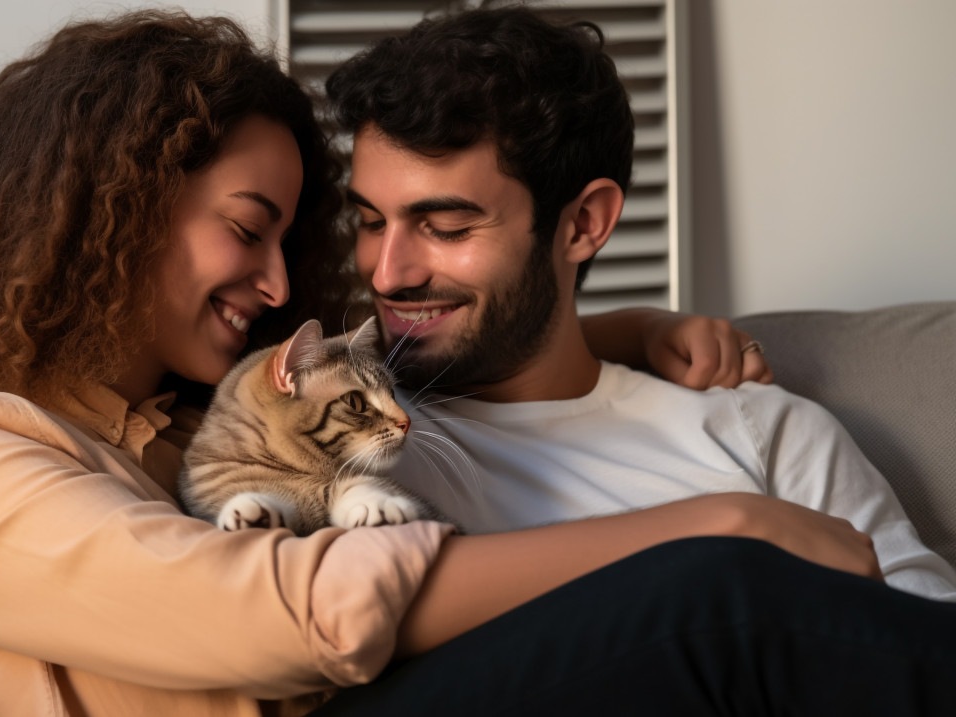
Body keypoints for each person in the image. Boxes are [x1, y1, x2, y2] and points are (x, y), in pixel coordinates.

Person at [0, 9, 956, 717]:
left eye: (442, 223)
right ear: (113, 215)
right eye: (256, 228)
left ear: (581, 225)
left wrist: (632, 335)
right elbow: (279, 610)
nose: (321, 282)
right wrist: (707, 523)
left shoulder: (197, 419)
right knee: (720, 593)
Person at [323, 5, 956, 602]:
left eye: (447, 227)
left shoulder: (763, 436)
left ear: (583, 224)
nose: (385, 274)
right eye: (372, 222)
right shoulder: (324, 436)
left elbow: (923, 658)